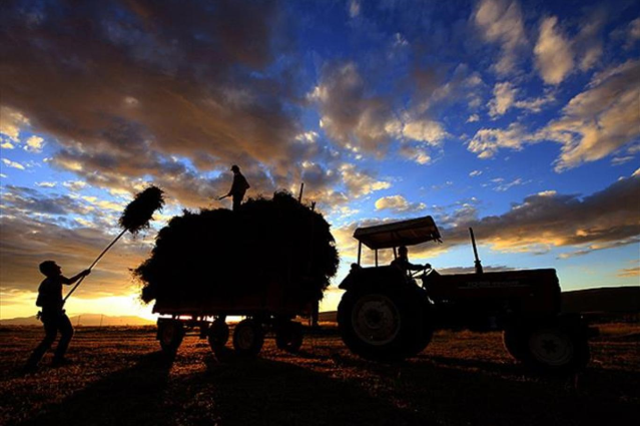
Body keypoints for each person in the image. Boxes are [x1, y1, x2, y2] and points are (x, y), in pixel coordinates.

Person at [23, 261, 90, 371]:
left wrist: (83, 273)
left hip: (55, 313)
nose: (59, 267)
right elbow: (39, 302)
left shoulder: (57, 279)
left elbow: (69, 282)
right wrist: (55, 302)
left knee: (63, 334)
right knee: (55, 336)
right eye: (56, 266)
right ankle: (39, 362)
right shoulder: (47, 283)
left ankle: (51, 360)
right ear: (50, 271)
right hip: (52, 315)